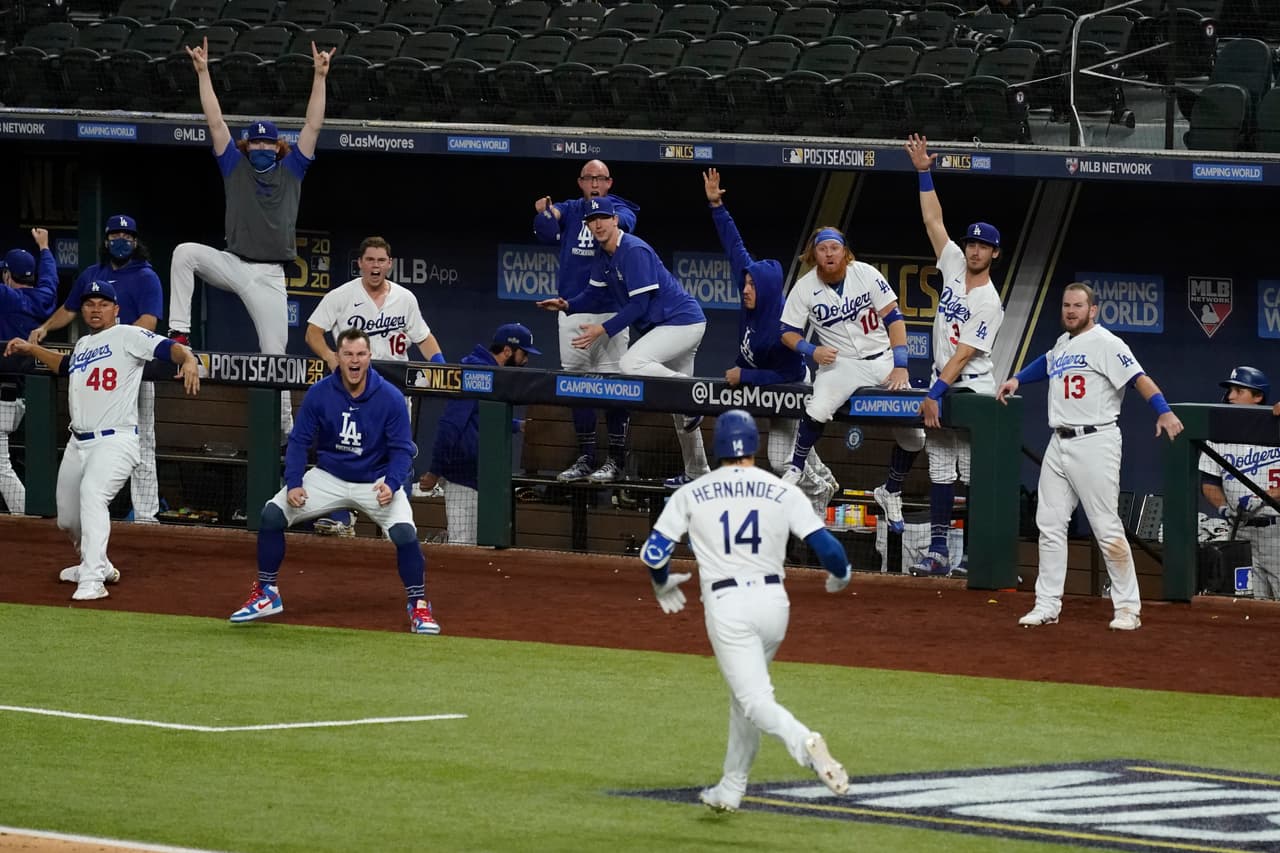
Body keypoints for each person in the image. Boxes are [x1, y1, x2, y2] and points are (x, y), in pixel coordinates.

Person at [639, 409, 851, 813]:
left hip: (728, 606)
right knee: (744, 698)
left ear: (718, 446)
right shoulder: (782, 489)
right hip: (775, 607)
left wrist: (662, 582)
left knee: (753, 700)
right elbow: (829, 549)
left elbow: (654, 554)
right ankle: (731, 787)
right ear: (753, 444)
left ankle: (806, 743)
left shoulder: (692, 492)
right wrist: (840, 577)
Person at [167, 36, 334, 439]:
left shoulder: (291, 169)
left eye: (266, 141)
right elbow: (216, 122)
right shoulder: (234, 165)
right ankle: (179, 336)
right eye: (254, 141)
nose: (259, 146)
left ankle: (285, 435)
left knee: (275, 359)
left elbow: (312, 125)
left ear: (277, 146)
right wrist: (204, 72)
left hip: (270, 277)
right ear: (248, 145)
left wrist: (320, 76)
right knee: (184, 252)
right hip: (234, 263)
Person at [997, 282, 1183, 630]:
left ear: (1092, 310)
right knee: (1049, 525)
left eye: (1078, 306)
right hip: (1060, 441)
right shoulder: (1063, 343)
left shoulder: (1107, 344)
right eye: (1066, 305)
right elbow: (1047, 362)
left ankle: (1128, 608)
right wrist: (1018, 380)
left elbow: (1137, 378)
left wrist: (1164, 410)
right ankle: (1047, 605)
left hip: (1095, 441)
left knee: (1105, 525)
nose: (1070, 310)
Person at [229, 327, 440, 633]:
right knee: (271, 514)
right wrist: (295, 481)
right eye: (348, 354)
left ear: (369, 357)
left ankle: (419, 606)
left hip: (375, 479)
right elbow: (299, 441)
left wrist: (392, 484)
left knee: (406, 535)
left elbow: (402, 451)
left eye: (360, 354)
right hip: (328, 476)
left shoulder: (390, 397)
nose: (354, 361)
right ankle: (266, 593)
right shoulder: (320, 393)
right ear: (338, 357)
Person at [4, 281, 202, 601]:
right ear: (82, 310)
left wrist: (188, 359)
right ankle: (95, 562)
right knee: (67, 519)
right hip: (78, 442)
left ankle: (94, 580)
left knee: (93, 495)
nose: (96, 309)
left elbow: (167, 348)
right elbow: (66, 366)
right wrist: (32, 349)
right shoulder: (82, 344)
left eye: (103, 303)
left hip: (115, 440)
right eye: (90, 304)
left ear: (116, 309)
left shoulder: (128, 335)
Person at [875, 134, 1006, 578]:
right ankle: (937, 552)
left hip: (968, 390)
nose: (973, 249)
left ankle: (972, 554)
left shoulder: (990, 299)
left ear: (994, 254)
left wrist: (933, 393)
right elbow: (934, 222)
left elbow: (965, 354)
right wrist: (924, 173)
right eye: (971, 243)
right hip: (941, 381)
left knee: (970, 474)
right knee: (939, 472)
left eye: (982, 246)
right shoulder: (952, 264)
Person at [537, 196, 710, 488]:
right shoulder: (602, 256)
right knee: (681, 410)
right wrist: (567, 305)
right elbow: (592, 295)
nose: (598, 224)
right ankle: (698, 472)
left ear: (615, 219)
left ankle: (691, 392)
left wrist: (601, 329)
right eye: (592, 220)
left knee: (631, 364)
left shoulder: (633, 249)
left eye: (603, 218)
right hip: (667, 327)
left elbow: (639, 304)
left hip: (682, 323)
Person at [702, 168, 837, 516]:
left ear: (764, 291)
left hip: (791, 383)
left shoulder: (781, 329)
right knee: (790, 451)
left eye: (750, 286)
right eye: (745, 284)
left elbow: (787, 374)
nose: (744, 290)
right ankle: (823, 477)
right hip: (771, 378)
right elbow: (735, 247)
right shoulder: (753, 287)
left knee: (780, 459)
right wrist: (717, 205)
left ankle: (819, 488)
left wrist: (744, 377)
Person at [775, 221, 925, 517]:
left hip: (881, 359)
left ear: (845, 252)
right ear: (813, 254)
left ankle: (891, 489)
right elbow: (786, 331)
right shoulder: (805, 288)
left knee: (915, 437)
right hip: (840, 364)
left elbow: (894, 319)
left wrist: (901, 366)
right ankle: (796, 467)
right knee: (817, 408)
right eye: (822, 249)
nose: (829, 254)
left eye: (834, 248)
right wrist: (811, 349)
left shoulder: (866, 273)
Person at [30, 214, 165, 525]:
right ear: (106, 240)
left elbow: (149, 324)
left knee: (143, 439)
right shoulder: (94, 274)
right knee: (90, 436)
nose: (122, 241)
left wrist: (119, 345)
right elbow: (69, 309)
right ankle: (92, 508)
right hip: (96, 373)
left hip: (131, 371)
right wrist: (45, 328)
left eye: (127, 236)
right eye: (116, 235)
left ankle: (146, 516)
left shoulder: (146, 276)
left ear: (135, 241)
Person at [306, 235, 445, 531]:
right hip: (353, 386)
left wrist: (441, 368)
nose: (375, 265)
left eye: (381, 260)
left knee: (398, 452)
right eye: (369, 259)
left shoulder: (405, 298)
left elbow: (423, 338)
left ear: (390, 264)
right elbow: (313, 332)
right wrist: (330, 355)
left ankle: (397, 518)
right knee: (347, 448)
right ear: (360, 263)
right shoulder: (341, 295)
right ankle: (342, 516)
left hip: (393, 389)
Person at [533, 163, 639, 485]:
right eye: (588, 178)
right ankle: (586, 457)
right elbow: (547, 230)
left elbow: (627, 226)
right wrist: (545, 214)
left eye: (600, 178)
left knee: (615, 384)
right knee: (576, 385)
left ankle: (616, 459)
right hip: (573, 311)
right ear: (580, 182)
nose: (594, 183)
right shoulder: (571, 208)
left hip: (609, 313)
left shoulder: (617, 209)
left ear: (609, 183)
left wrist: (608, 219)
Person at [417, 323, 537, 546]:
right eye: (524, 354)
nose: (526, 360)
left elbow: (481, 415)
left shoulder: (492, 374)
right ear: (508, 352)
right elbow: (449, 426)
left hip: (482, 478)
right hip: (463, 478)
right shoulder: (475, 374)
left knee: (486, 546)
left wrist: (516, 425)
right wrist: (435, 471)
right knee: (463, 546)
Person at [1199, 366, 1279, 599]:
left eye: (1238, 391)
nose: (1230, 397)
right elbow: (1210, 482)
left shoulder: (1278, 427)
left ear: (1258, 397)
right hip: (1240, 533)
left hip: (1277, 531)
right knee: (1244, 602)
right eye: (1229, 391)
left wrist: (1264, 497)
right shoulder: (1220, 434)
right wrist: (1223, 507)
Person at [0, 229, 58, 515]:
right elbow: (50, 279)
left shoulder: (6, 298)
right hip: (25, 398)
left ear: (8, 275)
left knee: (0, 467)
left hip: (5, 397)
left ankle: (29, 515)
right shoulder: (42, 297)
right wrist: (45, 248)